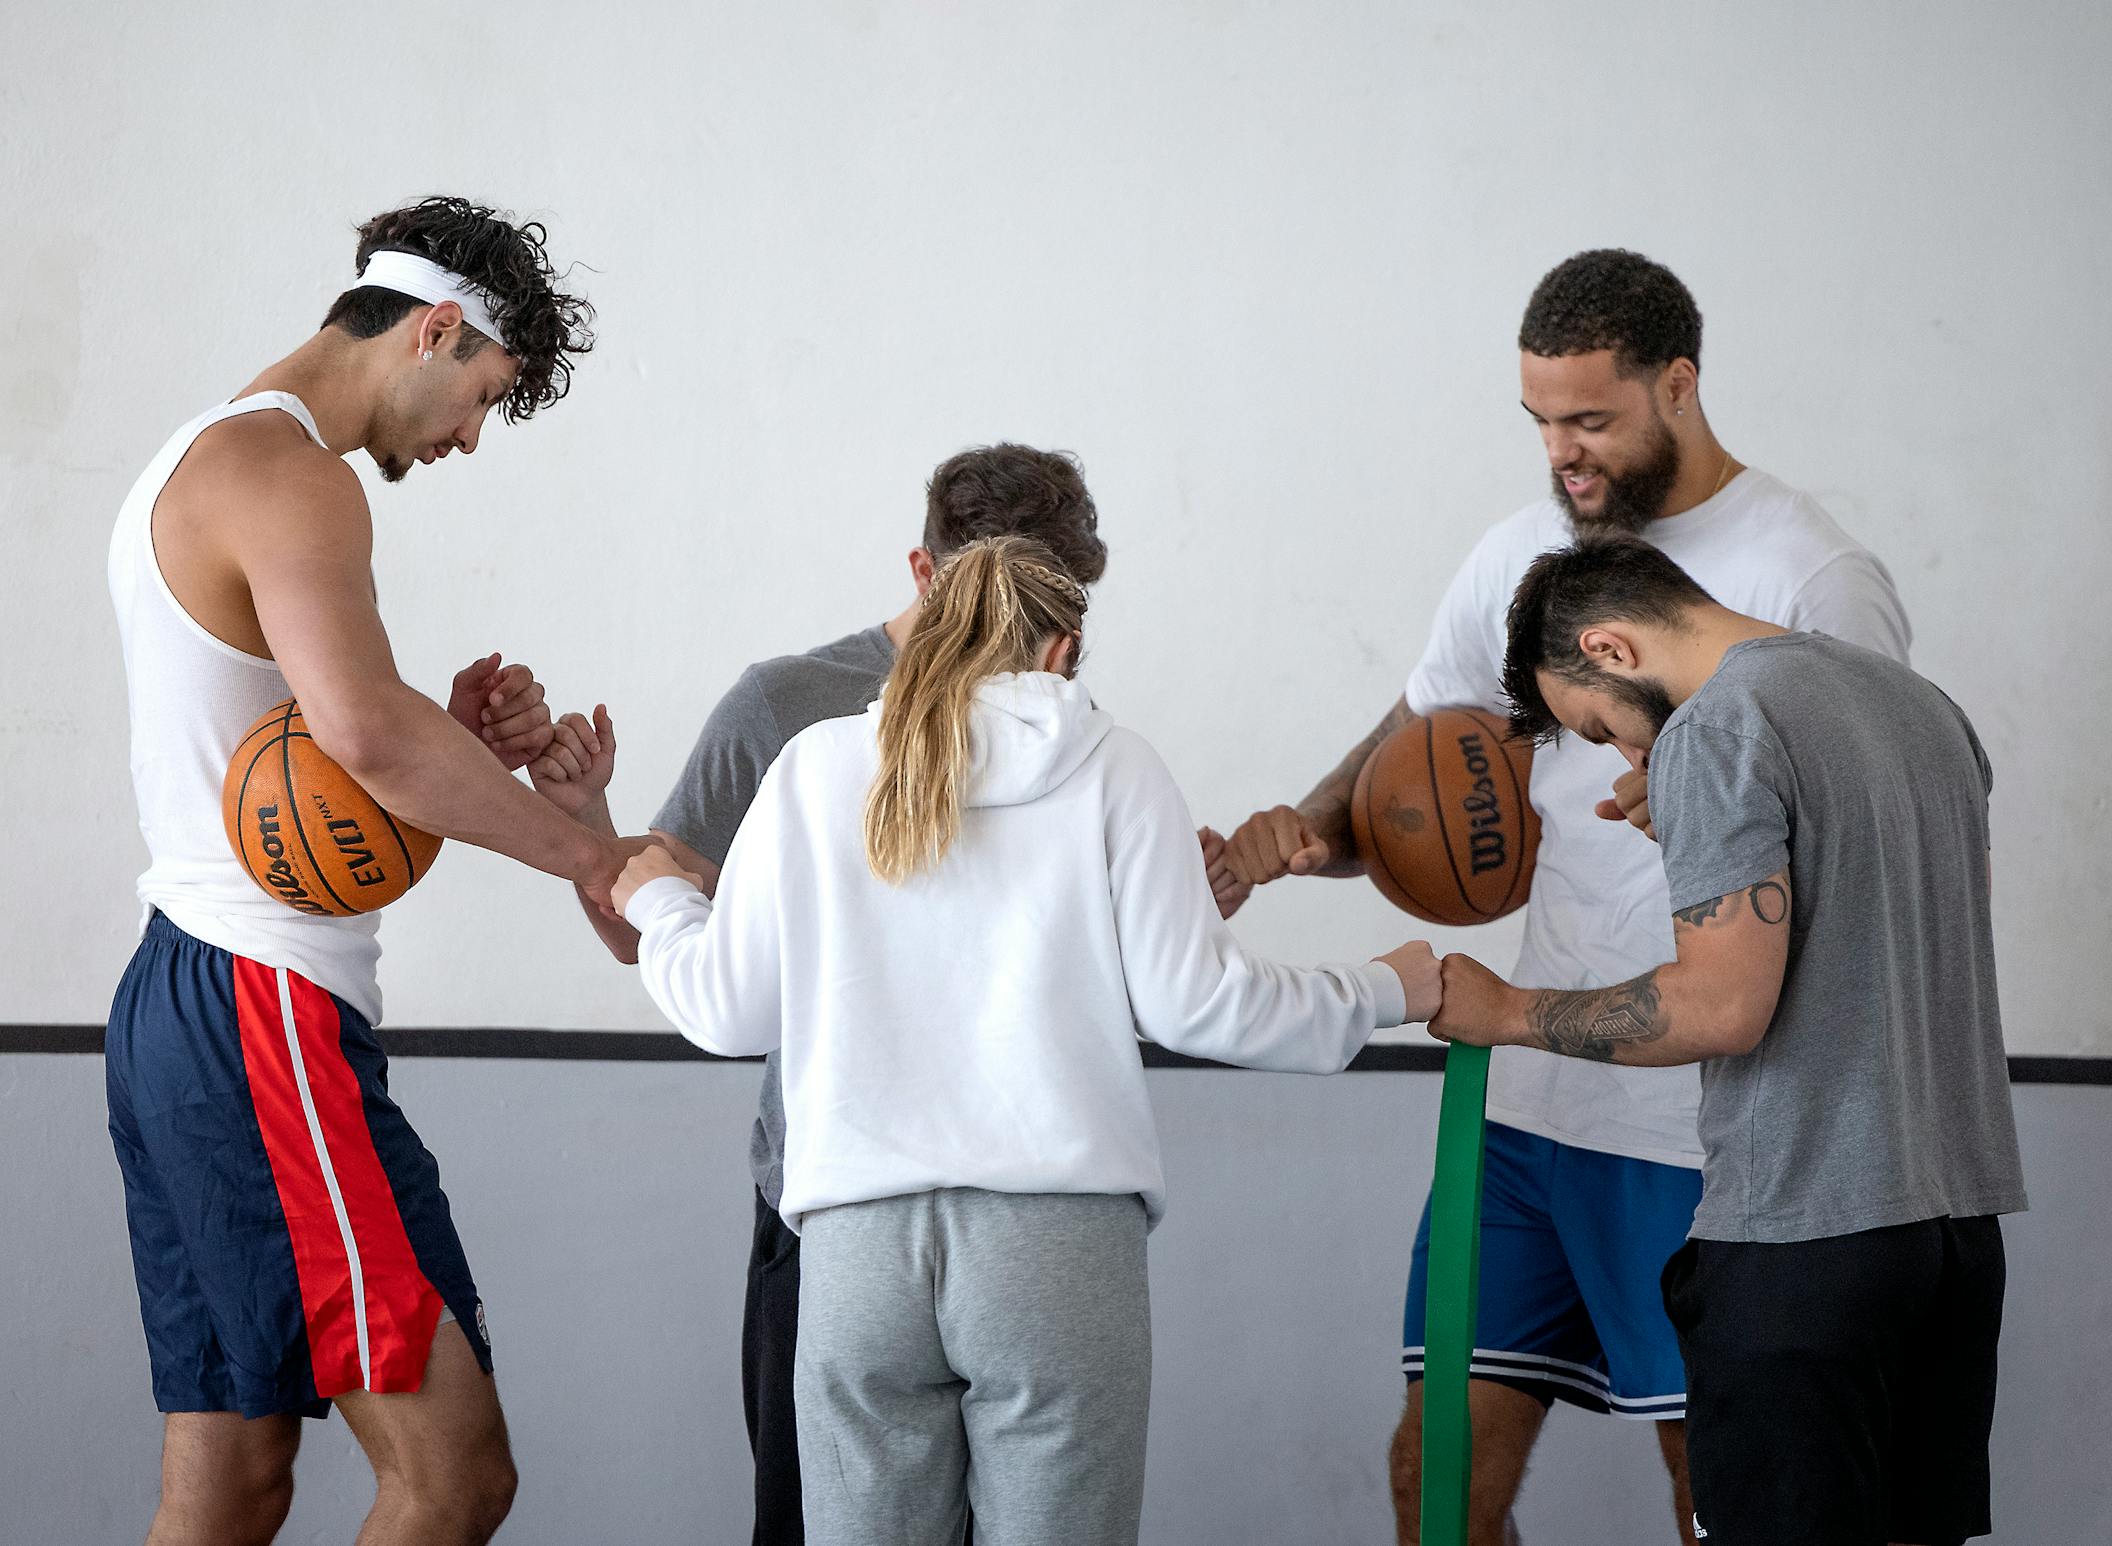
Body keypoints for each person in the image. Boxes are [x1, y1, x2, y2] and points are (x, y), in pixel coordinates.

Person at [1206, 249, 1911, 1543]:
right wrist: (1299, 837)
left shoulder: (1808, 576)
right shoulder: (1522, 549)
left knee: (1721, 1496)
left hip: (1710, 1133)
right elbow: (1425, 751)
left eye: (1590, 419)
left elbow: (1868, 832)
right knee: (1437, 1480)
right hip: (1526, 1111)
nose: (1563, 454)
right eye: (1540, 421)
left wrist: (1705, 799)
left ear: (1679, 384)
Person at [595, 535, 1443, 1546]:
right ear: (1059, 650)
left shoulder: (815, 768)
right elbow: (1200, 1003)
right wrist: (1388, 987)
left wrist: (662, 909)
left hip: (856, 1250)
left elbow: (726, 1010)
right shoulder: (1114, 766)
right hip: (1055, 1245)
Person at [104, 195, 644, 1546]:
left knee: (229, 1487)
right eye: (481, 397)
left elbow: (311, 753)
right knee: (455, 1475)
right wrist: (594, 857)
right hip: (260, 1013)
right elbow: (357, 733)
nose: (467, 437)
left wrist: (446, 738)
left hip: (182, 996)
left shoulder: (200, 459)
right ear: (436, 329)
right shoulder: (294, 473)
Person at [529, 443, 1112, 1545]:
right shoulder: (791, 708)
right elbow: (649, 921)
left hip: (1016, 1214)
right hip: (829, 1211)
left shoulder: (1061, 715)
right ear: (923, 571)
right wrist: (590, 826)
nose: (1027, 642)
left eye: (1046, 615)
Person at [1430, 533, 2026, 1546]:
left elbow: (1718, 1006)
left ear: (1612, 648)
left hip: (1805, 1237)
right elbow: (1866, 926)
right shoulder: (1922, 707)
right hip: (1955, 1234)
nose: (1628, 756)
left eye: (1600, 725)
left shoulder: (1717, 727)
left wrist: (1506, 1011)